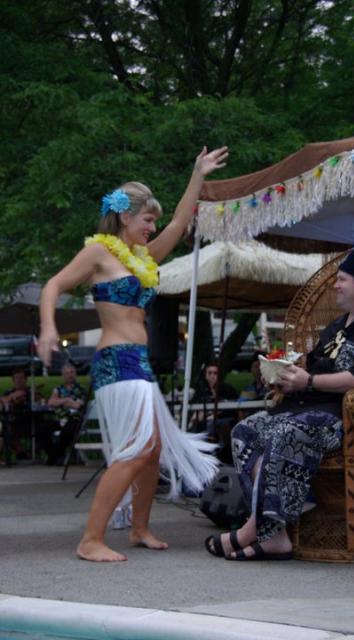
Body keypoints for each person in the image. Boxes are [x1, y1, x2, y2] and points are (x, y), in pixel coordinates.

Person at [38, 145, 228, 562]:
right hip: (115, 361)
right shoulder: (99, 254)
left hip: (138, 364)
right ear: (126, 217)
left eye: (153, 221)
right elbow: (53, 285)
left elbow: (179, 222)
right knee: (136, 450)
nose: (152, 227)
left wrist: (198, 174)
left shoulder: (144, 258)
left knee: (152, 451)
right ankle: (91, 539)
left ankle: (140, 528)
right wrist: (48, 328)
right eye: (147, 220)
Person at [204, 241, 354, 561]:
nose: (335, 286)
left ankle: (251, 530)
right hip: (307, 409)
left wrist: (309, 382)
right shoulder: (336, 328)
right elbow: (309, 371)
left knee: (284, 432)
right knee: (245, 431)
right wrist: (286, 381)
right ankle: (274, 534)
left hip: (351, 420)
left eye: (342, 279)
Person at [38, 362, 86, 465]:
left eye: (72, 372)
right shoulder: (58, 389)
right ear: (63, 375)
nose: (70, 375)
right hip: (60, 419)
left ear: (75, 374)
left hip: (74, 419)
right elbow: (51, 402)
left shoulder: (81, 389)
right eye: (67, 373)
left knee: (67, 431)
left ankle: (56, 456)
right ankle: (53, 455)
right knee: (42, 428)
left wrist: (59, 401)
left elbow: (78, 405)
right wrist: (67, 400)